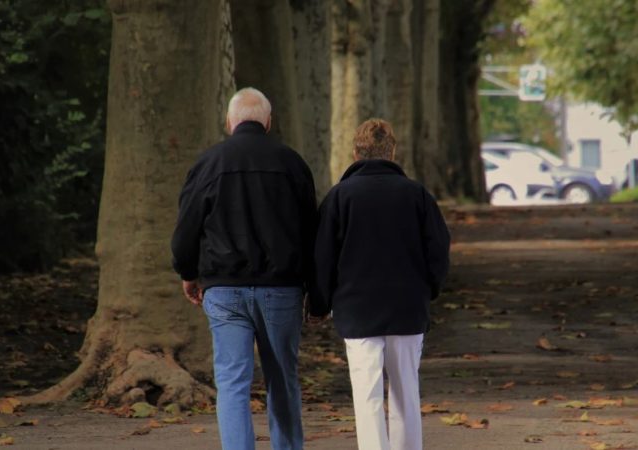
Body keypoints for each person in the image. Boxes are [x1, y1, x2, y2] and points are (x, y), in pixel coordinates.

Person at [171, 87, 317, 450]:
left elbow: (186, 230)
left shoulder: (208, 163)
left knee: (232, 383)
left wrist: (188, 273)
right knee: (282, 379)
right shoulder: (292, 163)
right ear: (268, 122)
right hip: (282, 287)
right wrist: (315, 288)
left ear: (229, 122)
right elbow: (311, 231)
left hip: (224, 288)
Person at [310, 119, 450, 450]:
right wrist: (430, 289)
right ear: (393, 152)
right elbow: (438, 250)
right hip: (407, 306)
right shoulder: (417, 195)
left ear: (355, 153)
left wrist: (319, 303)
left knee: (367, 396)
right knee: (406, 392)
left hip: (356, 308)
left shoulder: (339, 197)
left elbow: (322, 256)